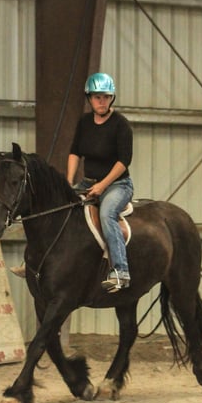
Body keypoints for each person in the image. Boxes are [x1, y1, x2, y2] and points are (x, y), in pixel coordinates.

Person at [67, 72, 134, 293]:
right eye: (97, 97)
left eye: (105, 97)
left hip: (117, 185)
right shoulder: (84, 123)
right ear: (90, 98)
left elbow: (124, 161)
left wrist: (103, 185)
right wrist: (68, 183)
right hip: (87, 182)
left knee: (106, 214)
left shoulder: (121, 125)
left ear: (112, 98)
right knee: (56, 204)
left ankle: (120, 272)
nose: (101, 101)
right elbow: (75, 152)